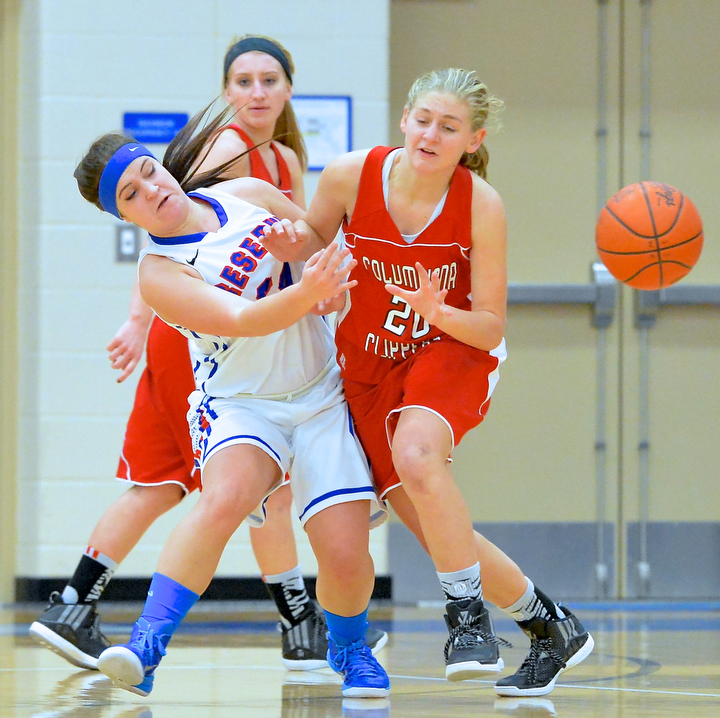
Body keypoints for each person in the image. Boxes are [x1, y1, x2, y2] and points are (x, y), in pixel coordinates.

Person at [29, 34, 385, 673]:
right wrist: (310, 288)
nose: (152, 190)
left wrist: (324, 277)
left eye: (149, 173)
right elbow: (244, 319)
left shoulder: (250, 192)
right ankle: (145, 645)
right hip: (243, 403)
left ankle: (348, 647)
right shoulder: (160, 274)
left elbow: (323, 256)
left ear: (165, 165)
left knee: (344, 549)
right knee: (220, 500)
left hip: (320, 391)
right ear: (124, 215)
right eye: (132, 196)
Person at [261, 68, 595, 698]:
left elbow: (491, 321)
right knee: (433, 526)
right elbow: (312, 236)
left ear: (473, 139)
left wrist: (437, 312)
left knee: (417, 453)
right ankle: (551, 626)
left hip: (453, 345)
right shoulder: (350, 175)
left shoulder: (481, 204)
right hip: (367, 363)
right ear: (404, 120)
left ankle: (465, 619)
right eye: (423, 120)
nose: (431, 135)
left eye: (448, 127)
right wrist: (290, 245)